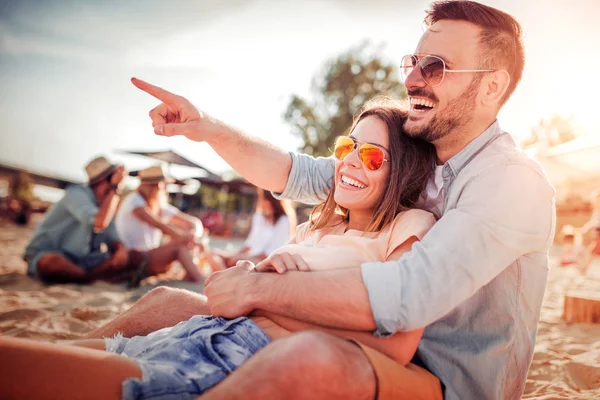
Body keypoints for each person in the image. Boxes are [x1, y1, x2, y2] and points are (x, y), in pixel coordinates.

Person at [79, 2, 555, 399]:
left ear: (492, 86)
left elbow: (411, 293)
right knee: (164, 303)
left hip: (444, 383)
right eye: (413, 63)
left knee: (306, 357)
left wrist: (257, 291)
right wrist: (208, 128)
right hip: (369, 343)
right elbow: (299, 173)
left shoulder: (511, 182)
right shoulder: (422, 163)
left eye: (435, 67)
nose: (413, 80)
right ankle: (59, 355)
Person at [0, 104, 442, 400]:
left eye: (372, 157)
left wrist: (262, 296)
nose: (347, 162)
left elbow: (395, 342)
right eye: (347, 148)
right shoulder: (319, 226)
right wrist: (255, 273)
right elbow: (245, 288)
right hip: (202, 332)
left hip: (226, 355)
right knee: (50, 354)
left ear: (402, 171)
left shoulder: (408, 227)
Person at [22, 156, 136, 283]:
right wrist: (115, 189)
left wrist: (121, 250)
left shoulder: (106, 204)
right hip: (48, 253)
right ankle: (91, 278)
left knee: (134, 256)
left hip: (84, 260)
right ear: (105, 181)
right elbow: (100, 222)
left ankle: (86, 277)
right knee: (54, 262)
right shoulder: (76, 193)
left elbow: (113, 237)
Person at [115, 164, 205, 283]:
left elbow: (193, 222)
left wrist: (194, 236)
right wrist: (187, 238)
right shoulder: (135, 200)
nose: (165, 189)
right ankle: (200, 280)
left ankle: (195, 277)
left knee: (183, 243)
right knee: (180, 246)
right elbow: (158, 224)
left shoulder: (156, 204)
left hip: (148, 256)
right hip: (135, 257)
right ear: (157, 186)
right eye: (164, 185)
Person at [202, 189, 292, 269]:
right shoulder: (259, 216)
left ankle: (225, 274)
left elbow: (274, 250)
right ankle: (226, 273)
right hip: (250, 256)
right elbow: (250, 243)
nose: (261, 201)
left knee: (235, 261)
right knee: (211, 253)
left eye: (264, 198)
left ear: (273, 200)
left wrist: (245, 257)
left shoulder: (283, 220)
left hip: (267, 260)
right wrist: (236, 254)